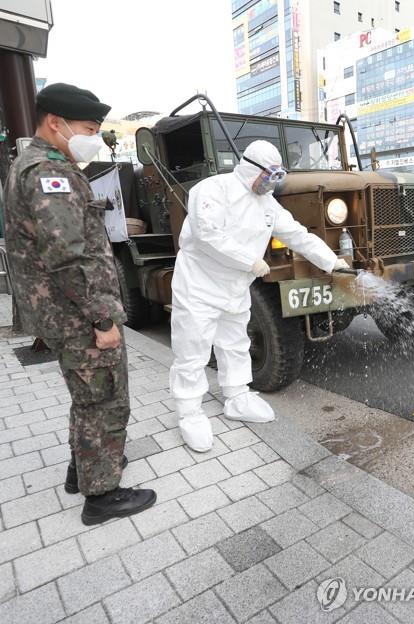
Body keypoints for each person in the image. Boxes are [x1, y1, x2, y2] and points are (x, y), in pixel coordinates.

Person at [3, 83, 156, 525]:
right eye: (89, 128)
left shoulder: (35, 164)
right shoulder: (48, 173)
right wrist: (103, 318)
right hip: (77, 314)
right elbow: (69, 257)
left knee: (86, 396)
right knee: (105, 400)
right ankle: (103, 495)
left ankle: (83, 469)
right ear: (56, 123)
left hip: (62, 312)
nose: (96, 136)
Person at [170, 139, 349, 452]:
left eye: (277, 177)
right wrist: (249, 260)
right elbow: (207, 233)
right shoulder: (213, 189)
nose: (271, 183)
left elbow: (298, 236)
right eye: (268, 176)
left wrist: (332, 262)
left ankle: (237, 397)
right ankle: (189, 411)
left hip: (236, 287)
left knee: (236, 342)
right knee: (193, 347)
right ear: (250, 167)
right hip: (199, 284)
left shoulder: (268, 204)